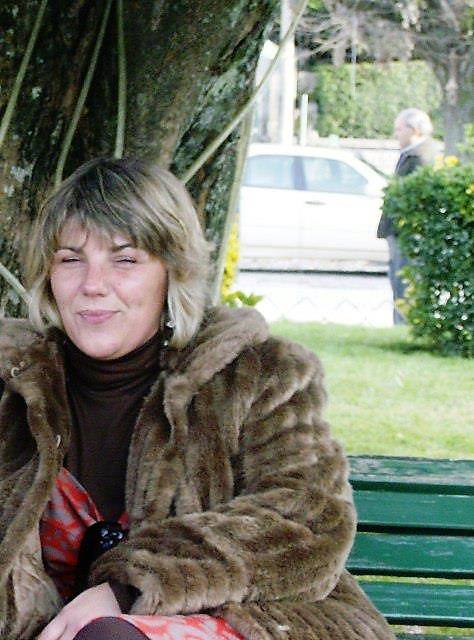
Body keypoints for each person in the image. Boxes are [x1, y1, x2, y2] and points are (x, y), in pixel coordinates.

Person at [0, 157, 395, 640]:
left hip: (253, 620)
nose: (93, 285)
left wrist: (127, 586)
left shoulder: (256, 374)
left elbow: (307, 520)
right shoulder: (13, 384)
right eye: (70, 259)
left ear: (172, 272)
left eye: (125, 259)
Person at [377, 108, 437, 324]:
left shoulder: (420, 156)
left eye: (399, 129)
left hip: (406, 231)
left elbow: (413, 196)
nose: (396, 134)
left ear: (415, 130)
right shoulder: (411, 154)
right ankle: (400, 323)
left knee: (404, 280)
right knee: (398, 278)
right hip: (398, 230)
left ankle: (404, 325)